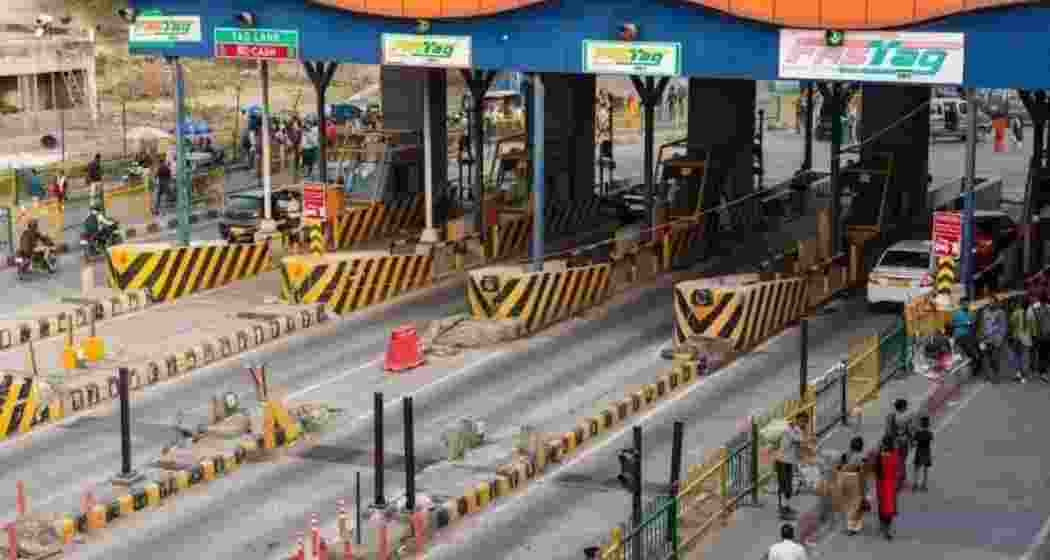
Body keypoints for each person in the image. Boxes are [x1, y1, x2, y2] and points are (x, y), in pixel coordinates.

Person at [776, 413, 807, 519]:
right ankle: (783, 511)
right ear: (797, 420)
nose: (804, 424)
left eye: (805, 422)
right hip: (782, 461)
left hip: (788, 462)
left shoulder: (796, 430)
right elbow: (799, 440)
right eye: (802, 421)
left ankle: (786, 507)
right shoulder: (791, 430)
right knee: (785, 487)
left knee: (788, 487)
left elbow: (799, 447)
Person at [837, 436, 867, 536]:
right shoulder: (862, 457)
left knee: (848, 503)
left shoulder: (846, 455)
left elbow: (839, 467)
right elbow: (863, 471)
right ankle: (855, 526)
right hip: (855, 479)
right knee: (856, 503)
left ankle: (852, 525)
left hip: (844, 478)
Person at [874, 435, 899, 540]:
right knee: (889, 508)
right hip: (891, 485)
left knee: (881, 506)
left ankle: (882, 526)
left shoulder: (879, 456)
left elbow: (875, 470)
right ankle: (887, 530)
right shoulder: (894, 456)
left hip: (881, 485)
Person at [980, 295, 1008, 383]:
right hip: (985, 339)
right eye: (989, 302)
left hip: (996, 339)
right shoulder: (985, 312)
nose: (991, 304)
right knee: (986, 358)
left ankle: (996, 375)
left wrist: (1000, 338)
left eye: (993, 302)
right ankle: (988, 376)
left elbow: (1003, 327)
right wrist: (981, 336)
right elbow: (983, 325)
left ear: (996, 303)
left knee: (995, 358)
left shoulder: (1001, 312)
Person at [885, 398, 911, 490]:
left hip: (894, 441)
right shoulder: (906, 417)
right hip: (903, 441)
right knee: (902, 461)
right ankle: (900, 480)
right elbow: (909, 430)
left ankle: (899, 479)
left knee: (897, 461)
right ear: (903, 407)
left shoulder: (891, 416)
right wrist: (911, 440)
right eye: (906, 406)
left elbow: (888, 431)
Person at [950, 297, 981, 371]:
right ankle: (971, 366)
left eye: (967, 303)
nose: (965, 305)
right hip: (960, 336)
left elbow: (974, 323)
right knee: (967, 353)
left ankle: (974, 366)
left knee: (975, 352)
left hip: (970, 336)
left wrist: (973, 321)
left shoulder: (972, 313)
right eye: (964, 303)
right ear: (961, 304)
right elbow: (952, 324)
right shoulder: (956, 313)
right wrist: (964, 323)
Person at [1009, 296, 1034, 383]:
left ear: (1021, 304)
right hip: (1026, 339)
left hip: (1017, 338)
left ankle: (1019, 374)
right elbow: (1033, 327)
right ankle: (1023, 376)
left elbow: (1011, 323)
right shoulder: (1031, 313)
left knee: (1017, 357)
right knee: (1025, 358)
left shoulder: (1016, 312)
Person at [1031, 293, 1050, 382]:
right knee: (1044, 354)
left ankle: (1041, 371)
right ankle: (1043, 372)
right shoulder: (1045, 309)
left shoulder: (1036, 309)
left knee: (1041, 353)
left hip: (1040, 335)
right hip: (1044, 335)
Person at [911, 416, 933, 491]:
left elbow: (914, 442)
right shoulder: (929, 433)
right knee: (925, 469)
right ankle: (924, 485)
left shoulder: (918, 433)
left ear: (921, 424)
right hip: (927, 452)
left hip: (919, 451)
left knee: (916, 468)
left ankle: (915, 483)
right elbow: (931, 440)